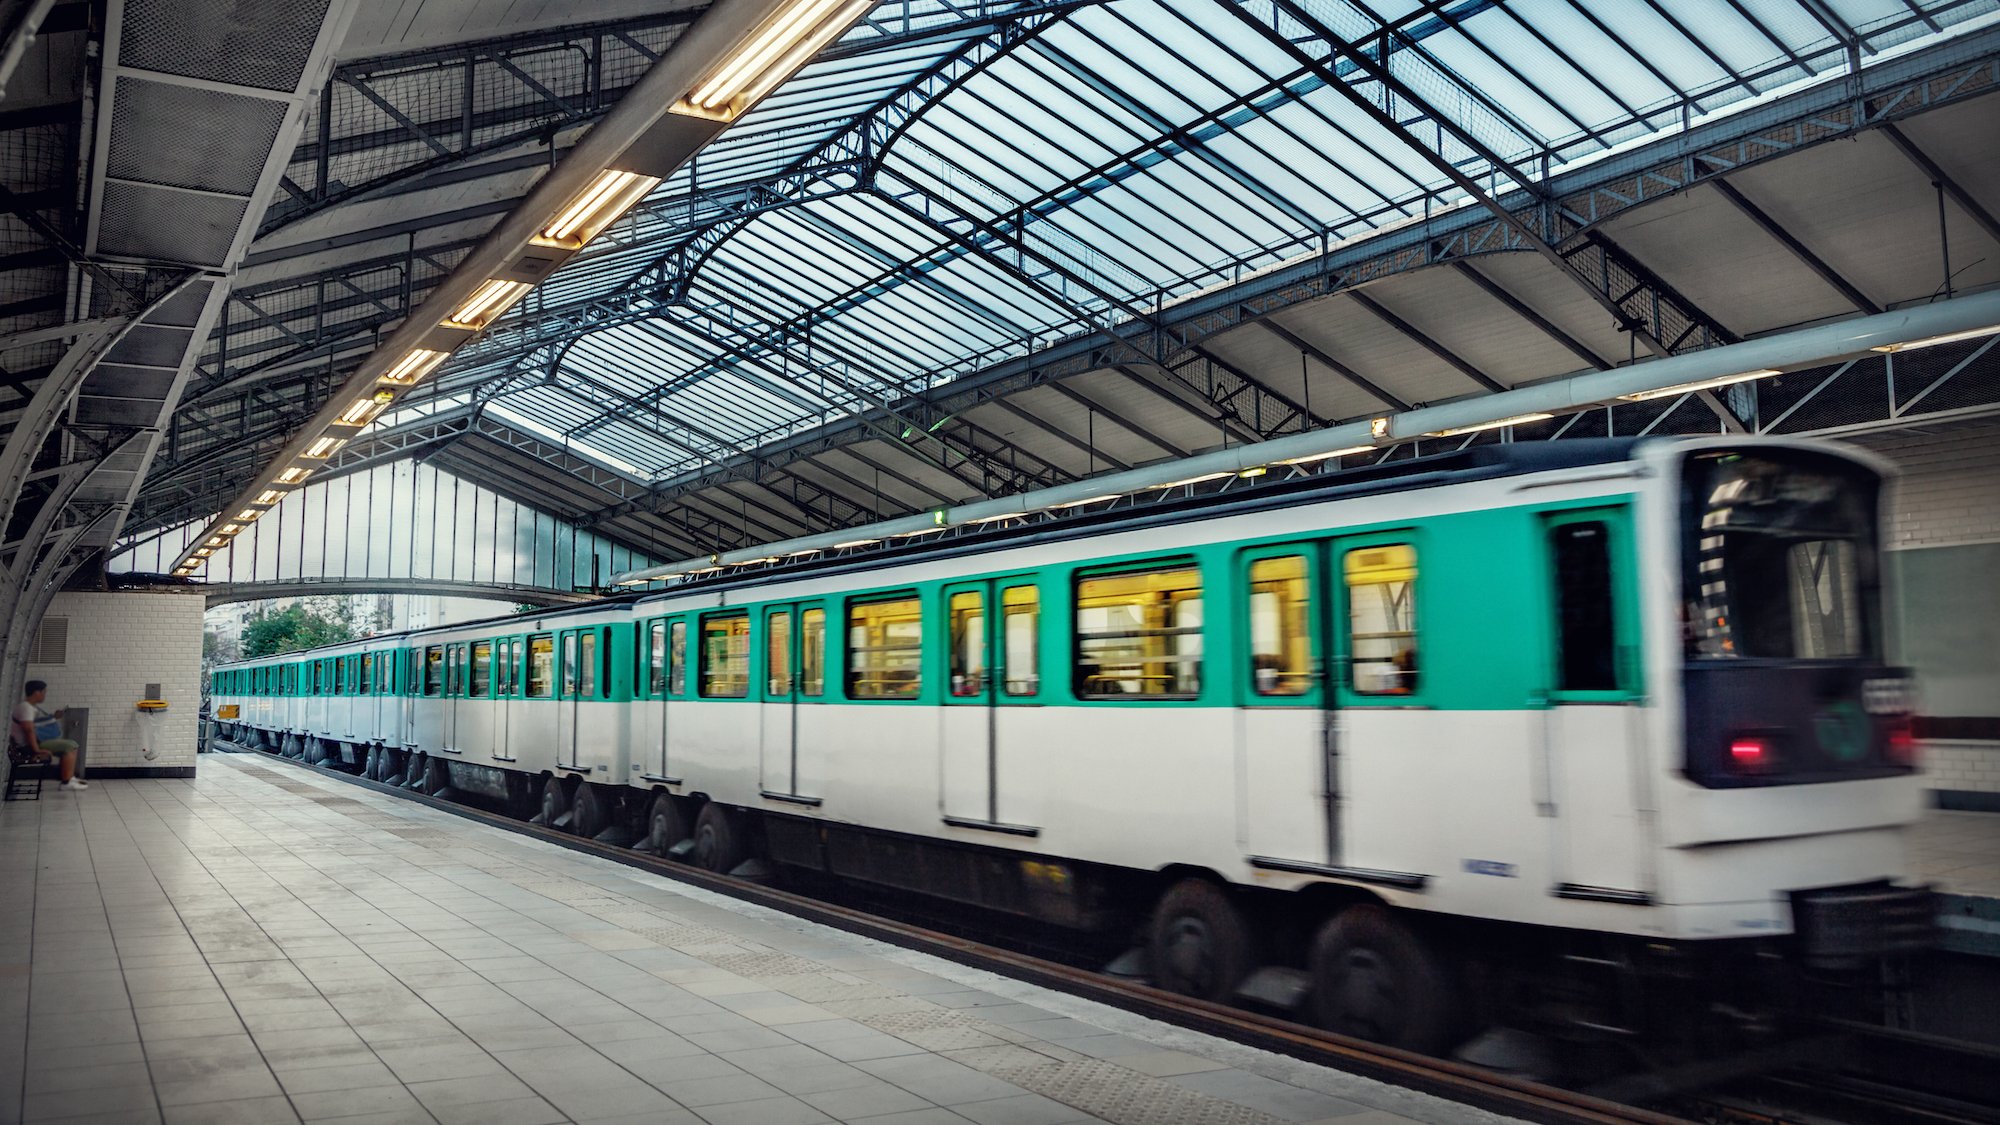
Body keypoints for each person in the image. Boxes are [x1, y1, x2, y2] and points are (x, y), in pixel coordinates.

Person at [12, 680, 86, 790]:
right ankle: (66, 782)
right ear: (37, 692)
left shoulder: (28, 707)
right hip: (27, 746)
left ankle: (69, 777)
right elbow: (29, 730)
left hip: (32, 742)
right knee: (70, 745)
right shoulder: (26, 708)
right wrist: (37, 750)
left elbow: (36, 724)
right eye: (44, 692)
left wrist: (54, 717)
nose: (44, 696)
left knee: (71, 745)